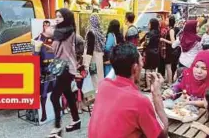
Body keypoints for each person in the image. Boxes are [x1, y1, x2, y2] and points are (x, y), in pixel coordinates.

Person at [88, 43, 169, 138]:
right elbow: (162, 135)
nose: (142, 64)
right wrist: (157, 94)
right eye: (141, 61)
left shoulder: (103, 85)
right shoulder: (140, 101)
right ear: (135, 68)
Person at [45, 8, 80, 137]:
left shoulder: (67, 30)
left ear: (66, 17)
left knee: (54, 97)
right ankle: (76, 120)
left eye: (60, 16)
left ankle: (57, 127)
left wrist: (53, 24)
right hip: (63, 67)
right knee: (68, 94)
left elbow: (48, 32)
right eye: (56, 16)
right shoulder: (62, 31)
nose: (57, 18)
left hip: (67, 68)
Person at [83, 14, 106, 90]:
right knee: (100, 76)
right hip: (99, 58)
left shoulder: (91, 32)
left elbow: (90, 49)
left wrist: (86, 64)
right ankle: (101, 94)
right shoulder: (100, 32)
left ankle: (96, 96)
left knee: (94, 77)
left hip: (92, 60)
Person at [140, 18, 160, 92]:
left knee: (148, 69)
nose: (148, 25)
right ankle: (153, 85)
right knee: (154, 70)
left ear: (151, 24)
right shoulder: (158, 33)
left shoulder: (149, 34)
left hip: (149, 53)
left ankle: (148, 86)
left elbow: (146, 43)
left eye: (149, 23)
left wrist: (143, 44)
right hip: (156, 52)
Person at [161, 16, 179, 85]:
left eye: (167, 20)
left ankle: (169, 82)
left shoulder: (171, 30)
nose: (165, 21)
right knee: (167, 66)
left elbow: (173, 42)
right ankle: (168, 80)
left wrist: (163, 40)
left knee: (168, 66)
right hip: (168, 50)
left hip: (170, 50)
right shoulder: (169, 29)